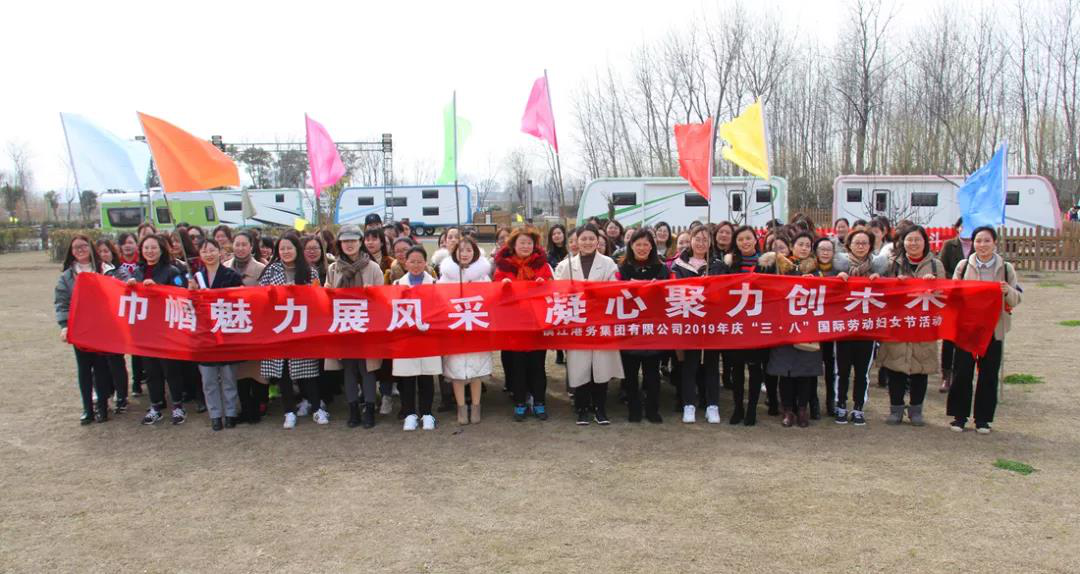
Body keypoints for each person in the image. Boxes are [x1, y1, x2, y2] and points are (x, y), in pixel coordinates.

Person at [947, 226, 1022, 433]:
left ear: (995, 243)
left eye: (987, 240)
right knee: (962, 372)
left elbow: (1017, 299)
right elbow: (953, 294)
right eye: (978, 241)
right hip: (967, 328)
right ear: (973, 243)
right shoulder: (963, 266)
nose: (982, 245)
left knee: (988, 374)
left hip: (993, 329)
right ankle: (959, 417)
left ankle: (983, 419)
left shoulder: (1006, 268)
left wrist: (1007, 291)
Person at [875, 225, 945, 426]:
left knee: (920, 368)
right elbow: (881, 290)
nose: (913, 244)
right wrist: (893, 283)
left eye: (917, 240)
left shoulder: (935, 265)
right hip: (898, 323)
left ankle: (916, 410)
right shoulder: (892, 263)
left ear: (925, 242)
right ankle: (896, 409)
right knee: (896, 367)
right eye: (909, 240)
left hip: (923, 324)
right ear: (902, 242)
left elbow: (944, 294)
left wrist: (934, 285)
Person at [554, 224, 624, 425]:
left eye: (591, 238)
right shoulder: (566, 265)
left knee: (601, 368)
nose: (587, 242)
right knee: (580, 368)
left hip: (601, 323)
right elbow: (557, 291)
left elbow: (614, 290)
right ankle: (582, 408)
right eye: (583, 239)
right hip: (577, 324)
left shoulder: (609, 263)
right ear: (576, 241)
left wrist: (593, 294)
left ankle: (600, 409)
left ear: (598, 241)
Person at [259, 235, 325, 429]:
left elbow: (318, 297)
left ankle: (317, 408)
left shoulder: (310, 271)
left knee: (309, 370)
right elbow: (261, 296)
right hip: (279, 327)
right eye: (282, 249)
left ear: (297, 249)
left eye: (289, 248)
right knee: (284, 371)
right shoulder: (271, 270)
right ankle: (289, 411)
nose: (286, 252)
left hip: (302, 326)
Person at [326, 225, 386, 429]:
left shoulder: (373, 267)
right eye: (345, 241)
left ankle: (369, 408)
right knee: (348, 369)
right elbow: (326, 298)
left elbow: (383, 299)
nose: (349, 244)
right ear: (340, 244)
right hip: (343, 325)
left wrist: (373, 293)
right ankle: (353, 409)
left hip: (366, 325)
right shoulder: (333, 268)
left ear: (360, 242)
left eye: (353, 240)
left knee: (367, 369)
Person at [55, 235, 120, 423]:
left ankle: (103, 407)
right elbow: (62, 303)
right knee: (84, 369)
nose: (80, 250)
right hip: (80, 329)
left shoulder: (105, 269)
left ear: (91, 248)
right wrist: (65, 325)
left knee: (101, 368)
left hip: (102, 328)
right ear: (71, 251)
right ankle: (87, 409)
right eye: (76, 247)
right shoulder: (67, 276)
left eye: (83, 246)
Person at [761, 232, 823, 428]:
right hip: (785, 327)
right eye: (800, 244)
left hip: (807, 327)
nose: (804, 248)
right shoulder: (780, 267)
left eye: (807, 245)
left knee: (805, 372)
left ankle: (802, 409)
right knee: (785, 372)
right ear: (792, 246)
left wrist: (814, 282)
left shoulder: (817, 269)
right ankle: (787, 409)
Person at [493, 227, 553, 421]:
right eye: (522, 243)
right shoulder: (504, 266)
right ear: (513, 245)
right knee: (517, 365)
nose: (526, 246)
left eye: (529, 243)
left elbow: (551, 287)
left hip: (536, 322)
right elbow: (496, 289)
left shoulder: (542, 265)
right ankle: (520, 401)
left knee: (538, 365)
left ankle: (539, 401)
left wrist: (544, 283)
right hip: (515, 324)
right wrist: (504, 286)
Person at [128, 234, 189, 425]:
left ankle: (178, 406)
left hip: (166, 329)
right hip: (146, 330)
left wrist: (158, 288)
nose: (150, 251)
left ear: (162, 250)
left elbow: (182, 294)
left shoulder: (172, 271)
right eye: (146, 248)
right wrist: (130, 287)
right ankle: (155, 406)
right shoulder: (137, 271)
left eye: (154, 247)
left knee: (171, 369)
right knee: (151, 370)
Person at [671, 225, 728, 424]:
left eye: (705, 240)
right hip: (688, 322)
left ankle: (713, 405)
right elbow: (674, 290)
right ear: (691, 240)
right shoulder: (678, 265)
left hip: (711, 323)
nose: (701, 243)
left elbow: (725, 291)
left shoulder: (718, 265)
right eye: (697, 239)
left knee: (712, 364)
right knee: (689, 364)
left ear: (710, 243)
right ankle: (689, 405)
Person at [188, 239, 244, 431]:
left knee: (229, 377)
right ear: (200, 255)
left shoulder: (232, 276)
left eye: (212, 250)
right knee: (209, 379)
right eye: (204, 251)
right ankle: (215, 415)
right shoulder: (196, 278)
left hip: (226, 332)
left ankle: (230, 413)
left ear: (220, 252)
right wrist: (192, 292)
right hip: (204, 335)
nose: (209, 254)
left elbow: (241, 301)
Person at [616, 228, 669, 423]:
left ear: (652, 246)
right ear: (631, 246)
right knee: (630, 374)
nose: (642, 248)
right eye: (638, 244)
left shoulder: (662, 268)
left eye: (646, 244)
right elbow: (613, 293)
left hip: (652, 328)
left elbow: (670, 293)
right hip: (629, 328)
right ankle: (634, 409)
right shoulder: (622, 268)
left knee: (652, 375)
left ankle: (652, 409)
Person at [438, 236, 493, 425]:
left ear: (475, 252)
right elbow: (439, 300)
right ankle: (461, 408)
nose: (465, 254)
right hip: (455, 328)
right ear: (455, 253)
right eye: (461, 250)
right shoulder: (446, 276)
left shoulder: (483, 276)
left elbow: (490, 299)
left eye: (469, 250)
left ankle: (476, 406)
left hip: (476, 328)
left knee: (477, 369)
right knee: (456, 370)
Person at [833, 229, 884, 426]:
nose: (861, 246)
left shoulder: (879, 268)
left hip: (867, 328)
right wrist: (838, 278)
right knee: (842, 371)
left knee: (862, 372)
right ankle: (840, 405)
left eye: (865, 243)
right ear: (849, 245)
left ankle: (858, 408)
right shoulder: (838, 266)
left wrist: (880, 281)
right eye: (857, 243)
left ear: (870, 246)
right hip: (844, 328)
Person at [723, 225, 770, 424]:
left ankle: (751, 409)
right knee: (737, 369)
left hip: (758, 323)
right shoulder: (729, 263)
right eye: (740, 239)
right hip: (736, 323)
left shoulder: (767, 263)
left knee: (755, 369)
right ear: (736, 242)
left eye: (748, 238)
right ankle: (738, 408)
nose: (745, 242)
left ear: (755, 240)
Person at [392, 245, 442, 431]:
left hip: (428, 336)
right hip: (406, 337)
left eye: (419, 261)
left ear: (425, 263)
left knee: (426, 376)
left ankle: (427, 413)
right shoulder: (397, 284)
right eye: (412, 261)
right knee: (407, 377)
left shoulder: (434, 284)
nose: (415, 265)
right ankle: (409, 413)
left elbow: (440, 308)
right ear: (405, 263)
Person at [222, 231, 269, 424]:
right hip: (233, 327)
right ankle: (244, 407)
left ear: (251, 246)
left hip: (256, 327)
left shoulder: (261, 268)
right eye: (237, 244)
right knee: (239, 369)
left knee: (257, 370)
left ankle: (258, 406)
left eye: (244, 244)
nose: (240, 248)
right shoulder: (224, 267)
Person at [936, 218, 969, 393]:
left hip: (972, 300)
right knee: (949, 338)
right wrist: (957, 283)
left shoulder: (980, 245)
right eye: (963, 226)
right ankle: (946, 375)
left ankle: (961, 374)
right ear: (957, 228)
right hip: (951, 297)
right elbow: (942, 269)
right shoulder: (949, 245)